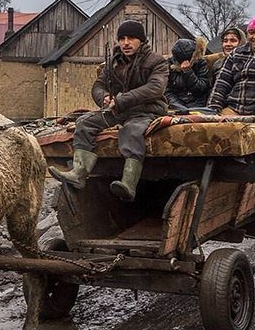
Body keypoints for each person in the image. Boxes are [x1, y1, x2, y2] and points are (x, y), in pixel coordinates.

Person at [49, 19, 168, 201]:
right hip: (117, 110)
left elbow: (155, 88)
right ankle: (79, 174)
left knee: (131, 131)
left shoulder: (157, 61)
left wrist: (121, 100)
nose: (125, 43)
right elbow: (98, 85)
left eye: (131, 38)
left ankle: (128, 183)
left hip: (147, 110)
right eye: (122, 38)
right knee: (85, 122)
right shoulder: (114, 62)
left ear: (142, 40)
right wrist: (104, 97)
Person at [164, 38, 210, 113]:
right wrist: (179, 106)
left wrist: (188, 72)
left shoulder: (200, 63)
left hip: (197, 104)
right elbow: (167, 91)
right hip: (176, 105)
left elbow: (202, 89)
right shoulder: (168, 65)